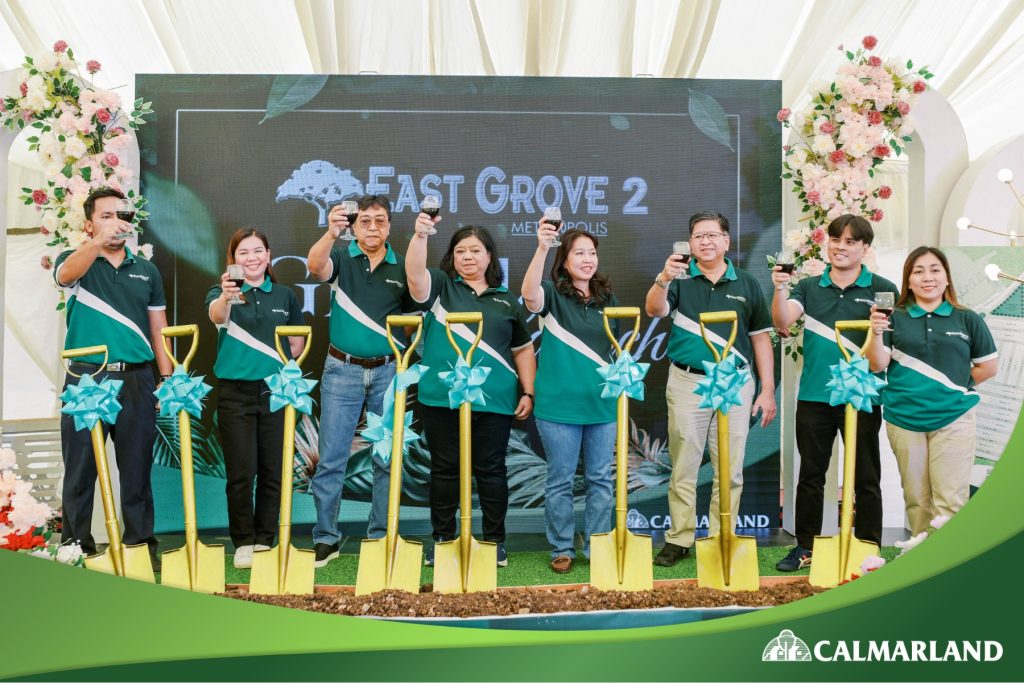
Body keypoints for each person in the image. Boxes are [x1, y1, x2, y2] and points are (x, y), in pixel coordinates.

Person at [645, 210, 777, 567]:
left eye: (713, 235)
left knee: (730, 466)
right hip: (688, 380)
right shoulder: (679, 279)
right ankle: (679, 538)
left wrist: (767, 390)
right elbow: (654, 310)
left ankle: (723, 537)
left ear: (726, 241)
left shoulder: (747, 283)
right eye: (698, 236)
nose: (706, 241)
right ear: (690, 243)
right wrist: (663, 279)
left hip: (735, 381)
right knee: (684, 462)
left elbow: (761, 338)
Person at [771, 213, 899, 571]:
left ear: (865, 248)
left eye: (850, 242)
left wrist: (875, 330)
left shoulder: (883, 288)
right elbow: (783, 321)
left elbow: (879, 362)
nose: (841, 247)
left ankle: (869, 547)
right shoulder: (809, 287)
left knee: (866, 477)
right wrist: (780, 287)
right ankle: (804, 547)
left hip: (862, 398)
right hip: (815, 396)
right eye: (835, 239)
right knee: (811, 474)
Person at [406, 215, 536, 568]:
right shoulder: (438, 287)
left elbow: (523, 349)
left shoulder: (506, 301)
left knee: (492, 470)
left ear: (489, 256)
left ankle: (495, 541)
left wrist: (528, 392)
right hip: (441, 397)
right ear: (451, 257)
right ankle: (443, 539)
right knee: (445, 470)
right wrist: (420, 235)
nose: (467, 257)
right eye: (460, 251)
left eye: (475, 250)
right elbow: (415, 276)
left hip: (494, 400)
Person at [54, 187, 173, 570]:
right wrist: (96, 243)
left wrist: (166, 377)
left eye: (121, 215)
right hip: (86, 379)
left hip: (137, 381)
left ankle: (140, 545)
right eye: (105, 216)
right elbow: (64, 275)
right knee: (80, 468)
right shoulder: (76, 261)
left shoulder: (147, 270)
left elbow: (159, 329)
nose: (115, 223)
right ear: (89, 224)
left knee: (136, 469)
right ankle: (76, 545)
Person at [305, 195, 411, 568]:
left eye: (380, 221)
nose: (372, 228)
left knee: (386, 458)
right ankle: (326, 538)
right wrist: (332, 233)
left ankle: (380, 535)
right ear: (355, 225)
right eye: (364, 221)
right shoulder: (341, 257)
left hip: (388, 371)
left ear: (389, 226)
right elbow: (315, 267)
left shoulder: (403, 266)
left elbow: (418, 316)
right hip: (342, 370)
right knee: (332, 459)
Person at [864, 246, 998, 535]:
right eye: (919, 271)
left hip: (954, 420)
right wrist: (874, 331)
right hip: (904, 419)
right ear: (908, 280)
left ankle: (948, 568)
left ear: (947, 278)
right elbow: (877, 364)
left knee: (950, 502)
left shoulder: (967, 319)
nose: (928, 277)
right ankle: (920, 563)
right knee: (917, 501)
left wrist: (951, 387)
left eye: (935, 270)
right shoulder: (893, 317)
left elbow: (988, 367)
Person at [521, 223, 618, 574]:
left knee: (600, 479)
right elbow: (529, 294)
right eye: (579, 252)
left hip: (602, 405)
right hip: (558, 407)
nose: (587, 259)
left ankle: (597, 545)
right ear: (564, 260)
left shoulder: (608, 298)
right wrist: (542, 246)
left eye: (592, 252)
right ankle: (562, 547)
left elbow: (615, 349)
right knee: (560, 479)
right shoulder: (550, 293)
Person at [206, 229, 305, 569]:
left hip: (276, 392)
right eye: (243, 253)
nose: (252, 258)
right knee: (241, 473)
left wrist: (286, 365)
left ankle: (265, 539)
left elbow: (297, 343)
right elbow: (217, 316)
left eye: (258, 251)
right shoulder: (222, 294)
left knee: (273, 471)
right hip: (235, 394)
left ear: (268, 254)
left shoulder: (284, 295)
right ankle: (243, 542)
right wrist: (227, 296)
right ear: (233, 259)